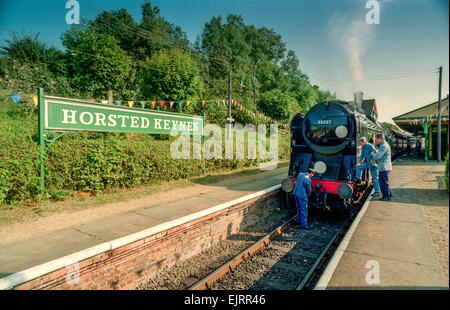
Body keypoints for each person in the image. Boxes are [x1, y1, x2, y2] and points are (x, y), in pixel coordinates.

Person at [371, 133, 392, 201]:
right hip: (384, 166)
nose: (376, 140)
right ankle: (388, 194)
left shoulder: (383, 145)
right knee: (384, 181)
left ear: (380, 138)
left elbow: (379, 155)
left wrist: (373, 155)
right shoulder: (384, 144)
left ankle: (386, 196)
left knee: (383, 182)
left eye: (376, 139)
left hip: (384, 167)